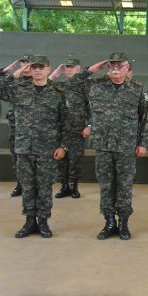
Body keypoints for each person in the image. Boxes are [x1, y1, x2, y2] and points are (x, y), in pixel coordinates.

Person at [66, 52, 148, 240]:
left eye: (120, 65)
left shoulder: (137, 89)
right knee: (106, 186)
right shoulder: (95, 85)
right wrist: (89, 71)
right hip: (103, 145)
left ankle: (124, 223)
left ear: (128, 68)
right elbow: (70, 85)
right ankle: (109, 221)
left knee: (124, 185)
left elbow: (143, 119)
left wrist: (142, 143)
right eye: (112, 65)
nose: (116, 68)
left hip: (126, 146)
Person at [0, 55, 69, 238]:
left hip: (47, 149)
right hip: (23, 147)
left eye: (41, 67)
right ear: (29, 69)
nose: (37, 70)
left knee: (44, 187)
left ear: (48, 69)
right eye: (34, 67)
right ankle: (30, 221)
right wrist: (14, 75)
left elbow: (66, 122)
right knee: (28, 186)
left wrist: (63, 146)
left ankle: (44, 221)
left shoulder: (58, 93)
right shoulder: (18, 90)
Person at [48, 58, 87, 199]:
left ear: (79, 69)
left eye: (72, 67)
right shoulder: (58, 85)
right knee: (61, 160)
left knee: (75, 159)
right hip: (60, 129)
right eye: (67, 67)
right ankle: (64, 187)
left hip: (77, 130)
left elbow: (93, 108)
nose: (69, 69)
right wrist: (54, 75)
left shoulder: (85, 86)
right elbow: (43, 86)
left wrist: (89, 125)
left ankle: (74, 187)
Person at [0, 54, 31, 197]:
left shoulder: (38, 80)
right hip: (16, 127)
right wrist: (6, 72)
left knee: (33, 159)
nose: (24, 65)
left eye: (27, 62)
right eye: (22, 62)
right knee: (17, 158)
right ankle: (19, 184)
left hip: (34, 129)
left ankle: (31, 186)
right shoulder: (13, 81)